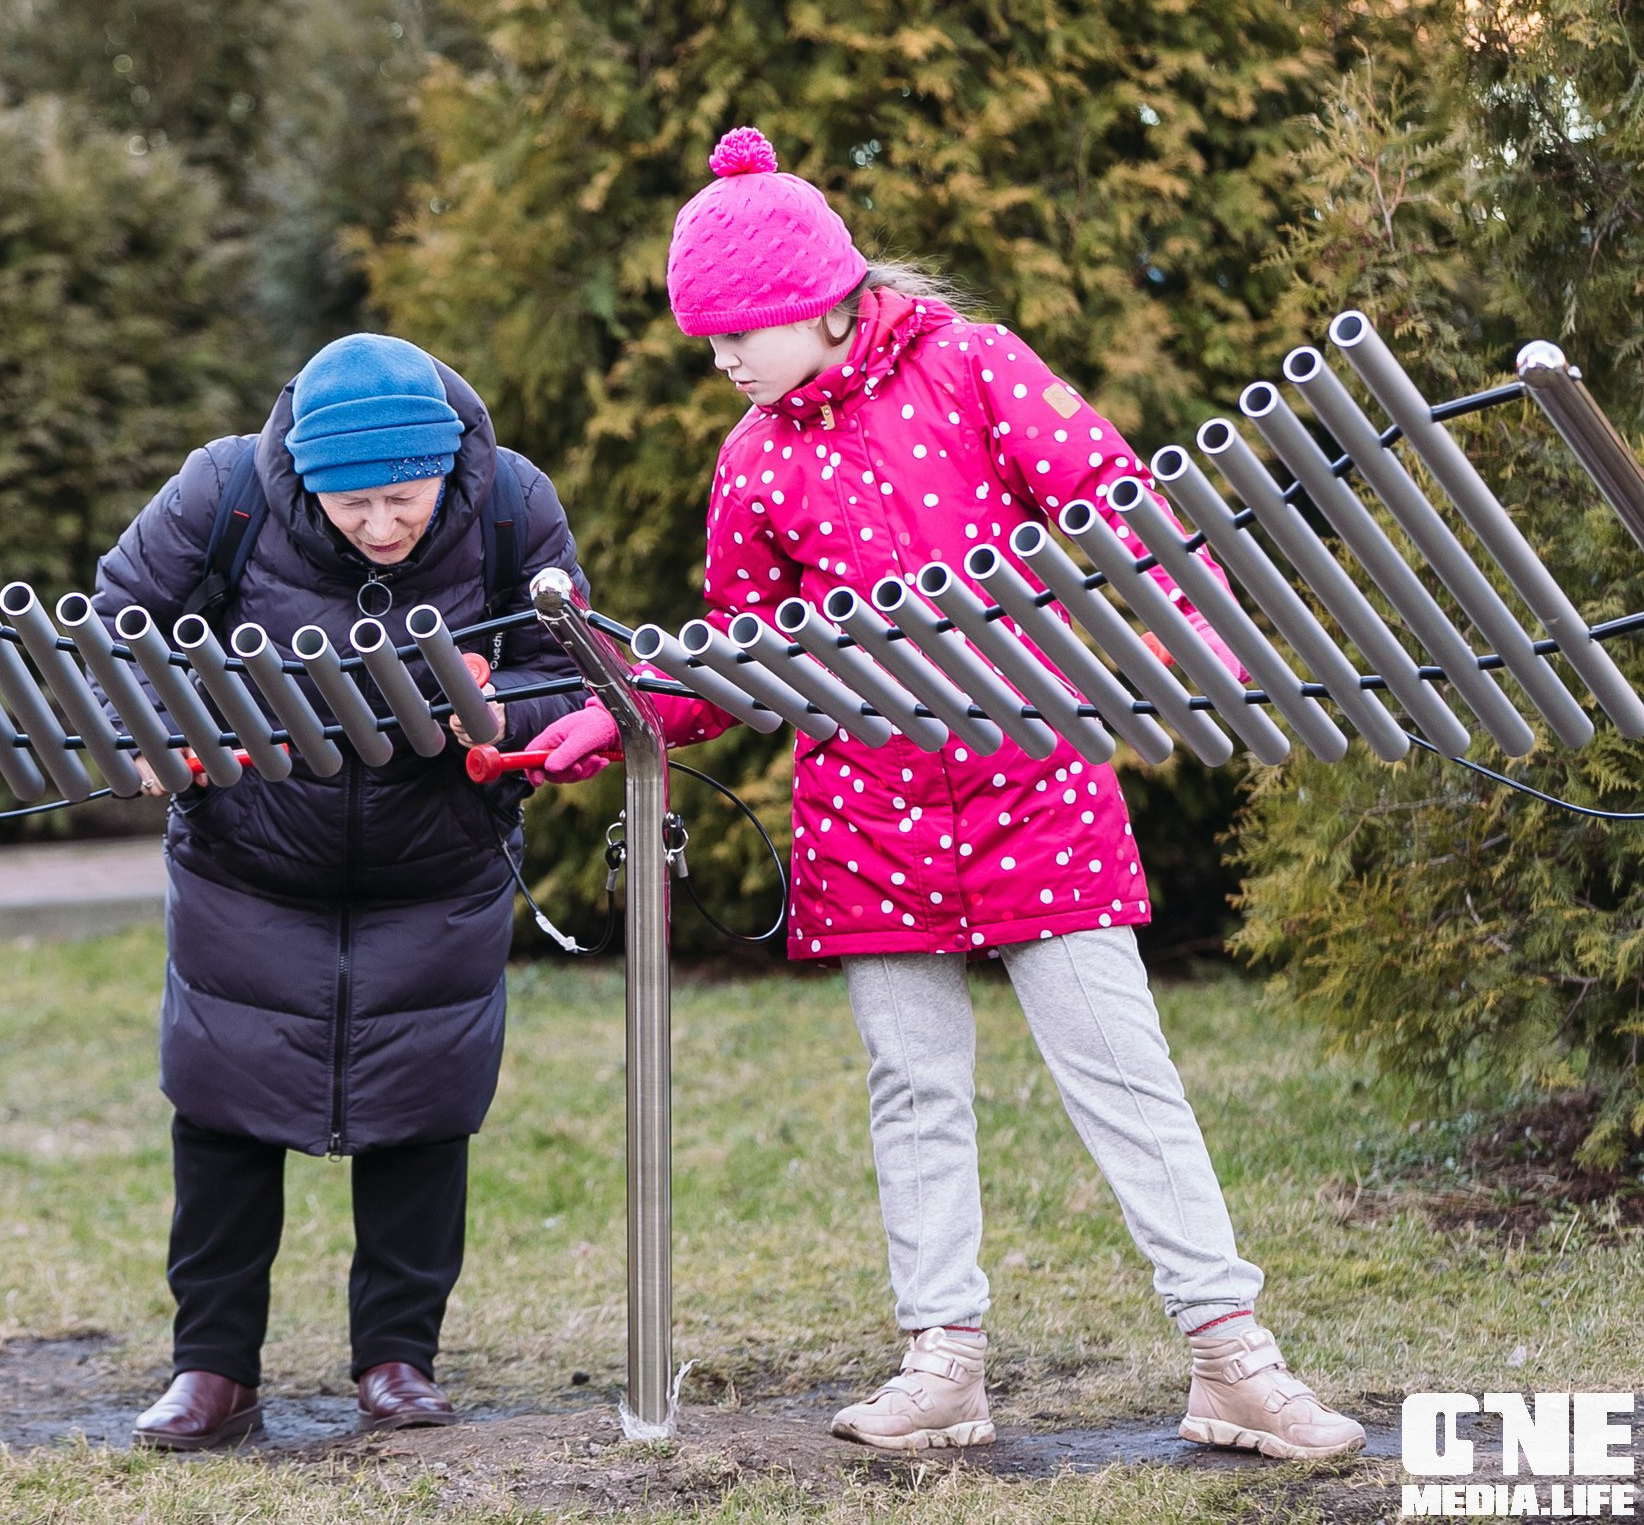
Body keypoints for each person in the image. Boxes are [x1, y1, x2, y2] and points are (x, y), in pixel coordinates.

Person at [529, 128, 1367, 1460]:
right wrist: (627, 706)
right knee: (911, 1085)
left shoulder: (971, 365)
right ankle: (944, 1364)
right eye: (708, 339)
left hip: (1036, 783)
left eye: (741, 329)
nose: (725, 359)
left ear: (822, 297)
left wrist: (1186, 640)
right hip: (864, 814)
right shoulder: (751, 459)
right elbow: (747, 652)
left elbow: (1118, 506)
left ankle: (1232, 1357)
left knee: (1123, 1073)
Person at [93, 332, 590, 1450]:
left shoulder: (513, 504)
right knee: (220, 1116)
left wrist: (501, 711)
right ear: (303, 480)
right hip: (249, 859)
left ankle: (397, 1359)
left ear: (446, 469)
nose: (379, 526)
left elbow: (570, 662)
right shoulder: (221, 491)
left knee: (424, 1114)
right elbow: (116, 621)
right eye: (351, 503)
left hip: (438, 868)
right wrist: (148, 728)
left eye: (402, 500)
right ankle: (212, 1368)